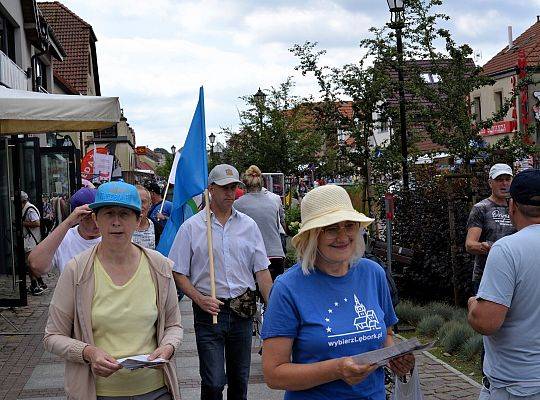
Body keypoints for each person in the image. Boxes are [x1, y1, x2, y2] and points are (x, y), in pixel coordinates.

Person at [261, 184, 414, 399]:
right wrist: (337, 369)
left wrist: (395, 358)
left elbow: (386, 335)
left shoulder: (373, 274)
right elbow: (274, 374)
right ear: (312, 236)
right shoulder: (288, 288)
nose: (343, 237)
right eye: (331, 228)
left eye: (349, 226)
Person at [43, 181, 182, 400]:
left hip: (155, 391)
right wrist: (88, 353)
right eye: (108, 213)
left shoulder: (159, 266)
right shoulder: (77, 270)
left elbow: (174, 325)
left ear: (138, 220)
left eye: (124, 214)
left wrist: (168, 347)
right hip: (98, 392)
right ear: (96, 219)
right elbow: (53, 336)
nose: (116, 222)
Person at [169, 164, 273, 400]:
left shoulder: (249, 225)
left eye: (234, 187)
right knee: (214, 381)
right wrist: (199, 298)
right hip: (209, 312)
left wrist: (274, 308)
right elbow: (177, 271)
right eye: (224, 188)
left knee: (239, 380)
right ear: (211, 189)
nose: (230, 193)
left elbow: (262, 271)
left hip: (242, 311)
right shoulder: (192, 227)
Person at [468, 169, 540, 400]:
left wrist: (472, 305)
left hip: (517, 385)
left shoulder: (507, 249)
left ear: (512, 207)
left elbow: (486, 322)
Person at [465, 163, 516, 294]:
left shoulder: (518, 207)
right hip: (486, 277)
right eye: (499, 180)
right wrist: (486, 247)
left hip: (514, 276)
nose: (504, 184)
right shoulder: (481, 208)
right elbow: (470, 245)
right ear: (490, 183)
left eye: (507, 179)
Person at [28, 187, 101, 276]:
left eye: (99, 215)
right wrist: (68, 222)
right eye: (89, 216)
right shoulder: (64, 237)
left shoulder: (112, 236)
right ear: (79, 216)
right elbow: (36, 265)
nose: (96, 222)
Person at [234, 165, 286, 281]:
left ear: (244, 185)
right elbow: (279, 226)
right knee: (272, 296)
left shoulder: (237, 205)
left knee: (251, 295)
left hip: (252, 257)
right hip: (276, 254)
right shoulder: (274, 202)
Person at [21, 191, 45, 295]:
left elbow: (37, 222)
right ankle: (37, 283)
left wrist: (21, 223)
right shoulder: (27, 208)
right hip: (30, 240)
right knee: (30, 263)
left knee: (30, 263)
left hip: (31, 240)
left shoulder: (29, 209)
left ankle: (36, 284)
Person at [132, 185, 163, 250]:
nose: (139, 205)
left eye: (143, 202)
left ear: (150, 205)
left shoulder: (158, 229)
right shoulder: (120, 227)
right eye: (135, 201)